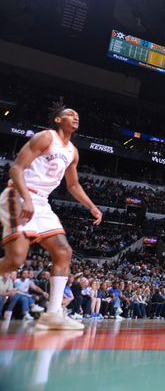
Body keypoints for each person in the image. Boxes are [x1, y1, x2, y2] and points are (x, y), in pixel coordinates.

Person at [0, 101, 101, 330]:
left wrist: (92, 206)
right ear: (58, 120)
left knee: (63, 251)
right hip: (18, 194)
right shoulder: (45, 137)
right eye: (70, 113)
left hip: (42, 203)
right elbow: (15, 169)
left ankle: (53, 314)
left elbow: (73, 185)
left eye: (77, 114)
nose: (75, 116)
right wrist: (26, 198)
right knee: (15, 260)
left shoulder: (72, 151)